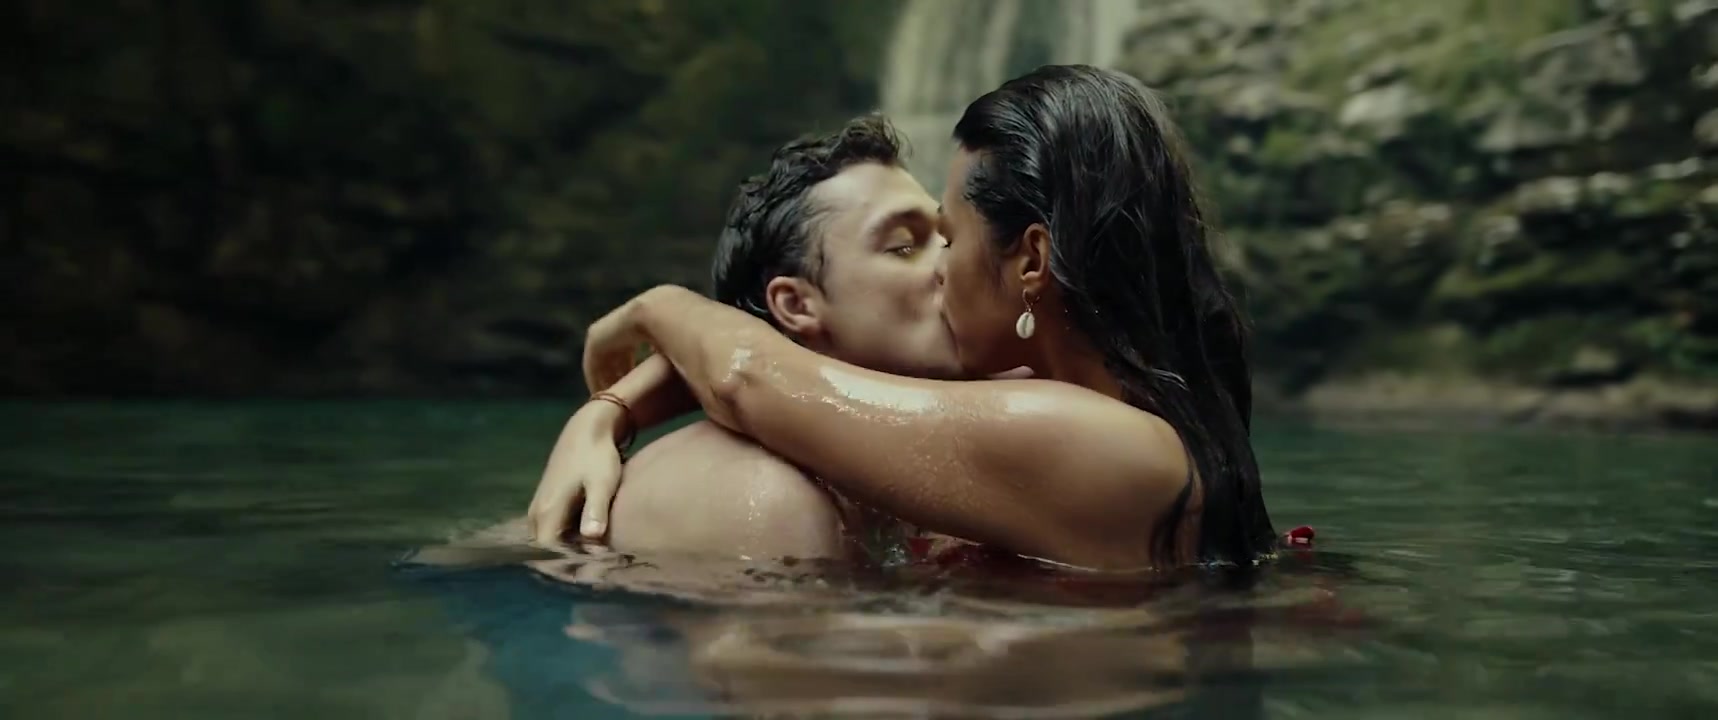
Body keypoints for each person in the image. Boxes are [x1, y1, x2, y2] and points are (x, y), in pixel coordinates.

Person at [531, 65, 1276, 571]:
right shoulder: (1117, 403)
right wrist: (610, 411)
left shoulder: (1093, 437)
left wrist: (657, 305)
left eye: (949, 238)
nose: (940, 267)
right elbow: (784, 373)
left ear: (1032, 261)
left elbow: (750, 375)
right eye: (906, 245)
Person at [525, 113, 971, 563]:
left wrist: (614, 402)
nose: (953, 261)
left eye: (948, 237)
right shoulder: (769, 500)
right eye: (902, 246)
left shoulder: (910, 458)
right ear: (796, 305)